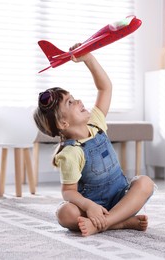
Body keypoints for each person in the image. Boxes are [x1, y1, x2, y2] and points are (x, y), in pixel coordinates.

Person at [33, 43, 156, 237]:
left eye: (74, 98)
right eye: (70, 102)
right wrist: (89, 206)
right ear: (63, 123)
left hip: (120, 200)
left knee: (145, 182)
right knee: (65, 213)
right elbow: (69, 192)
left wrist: (88, 58)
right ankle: (120, 223)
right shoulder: (71, 153)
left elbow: (105, 87)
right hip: (91, 206)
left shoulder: (96, 123)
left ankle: (106, 223)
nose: (79, 101)